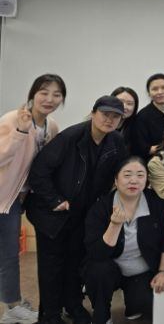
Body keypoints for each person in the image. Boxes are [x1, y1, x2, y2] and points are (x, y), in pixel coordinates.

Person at [26, 95, 127, 324]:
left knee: (75, 262)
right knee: (52, 267)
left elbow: (121, 170)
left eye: (115, 116)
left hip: (82, 212)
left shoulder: (116, 141)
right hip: (52, 213)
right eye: (105, 114)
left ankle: (73, 306)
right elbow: (38, 172)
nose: (109, 120)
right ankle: (50, 315)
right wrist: (54, 200)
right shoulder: (70, 137)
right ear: (93, 113)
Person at [0, 74, 66, 324]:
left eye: (57, 94)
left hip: (20, 198)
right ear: (32, 95)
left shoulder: (52, 127)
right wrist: (20, 131)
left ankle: (13, 302)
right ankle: (12, 307)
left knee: (8, 254)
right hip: (3, 196)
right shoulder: (12, 119)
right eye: (44, 92)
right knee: (8, 255)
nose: (50, 99)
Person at [84, 157, 164, 324]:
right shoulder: (101, 207)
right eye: (127, 175)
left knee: (146, 305)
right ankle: (102, 314)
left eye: (140, 175)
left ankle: (133, 302)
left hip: (141, 270)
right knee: (98, 271)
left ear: (147, 180)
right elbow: (98, 254)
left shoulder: (156, 203)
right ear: (116, 180)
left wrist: (163, 271)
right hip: (110, 268)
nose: (134, 180)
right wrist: (114, 225)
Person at [131, 73, 164, 160]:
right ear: (149, 93)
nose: (160, 92)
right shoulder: (142, 116)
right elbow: (141, 149)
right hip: (152, 162)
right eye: (155, 89)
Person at [111, 86, 139, 154]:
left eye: (129, 104)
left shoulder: (135, 126)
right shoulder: (99, 123)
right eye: (120, 102)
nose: (124, 107)